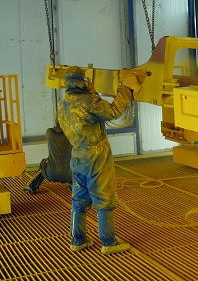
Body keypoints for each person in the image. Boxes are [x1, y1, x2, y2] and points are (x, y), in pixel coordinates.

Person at [57, 65, 139, 255]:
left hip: (78, 157)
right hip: (96, 158)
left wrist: (92, 94)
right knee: (104, 200)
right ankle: (109, 242)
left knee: (78, 201)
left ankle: (77, 241)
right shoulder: (88, 102)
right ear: (81, 83)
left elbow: (85, 116)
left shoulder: (63, 105)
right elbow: (113, 111)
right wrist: (125, 89)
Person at [23, 124, 72, 195]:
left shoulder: (49, 132)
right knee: (77, 163)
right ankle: (73, 185)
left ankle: (31, 187)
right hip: (69, 175)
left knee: (43, 162)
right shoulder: (71, 134)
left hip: (51, 173)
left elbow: (53, 129)